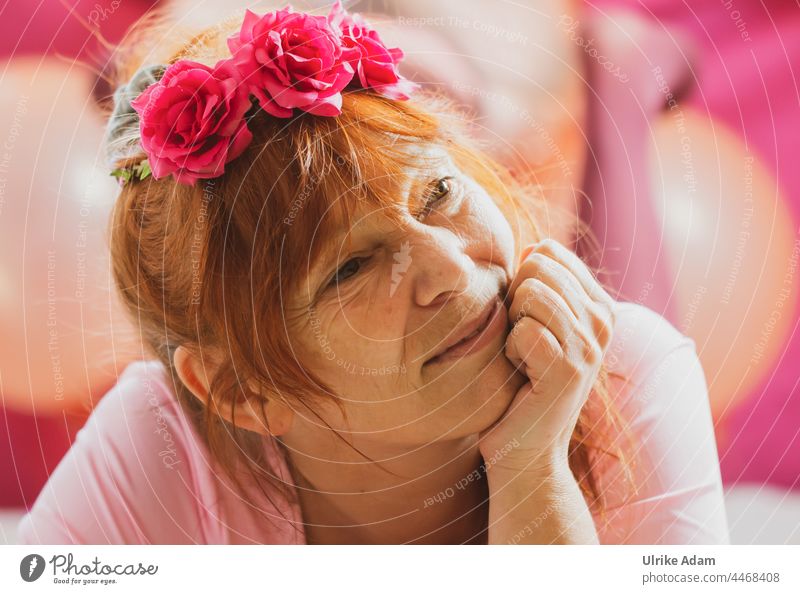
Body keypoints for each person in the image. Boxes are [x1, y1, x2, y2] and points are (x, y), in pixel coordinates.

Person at [17, 3, 729, 545]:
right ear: (241, 391)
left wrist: (531, 463)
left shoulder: (631, 373)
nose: (450, 269)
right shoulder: (170, 441)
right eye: (352, 267)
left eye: (441, 194)